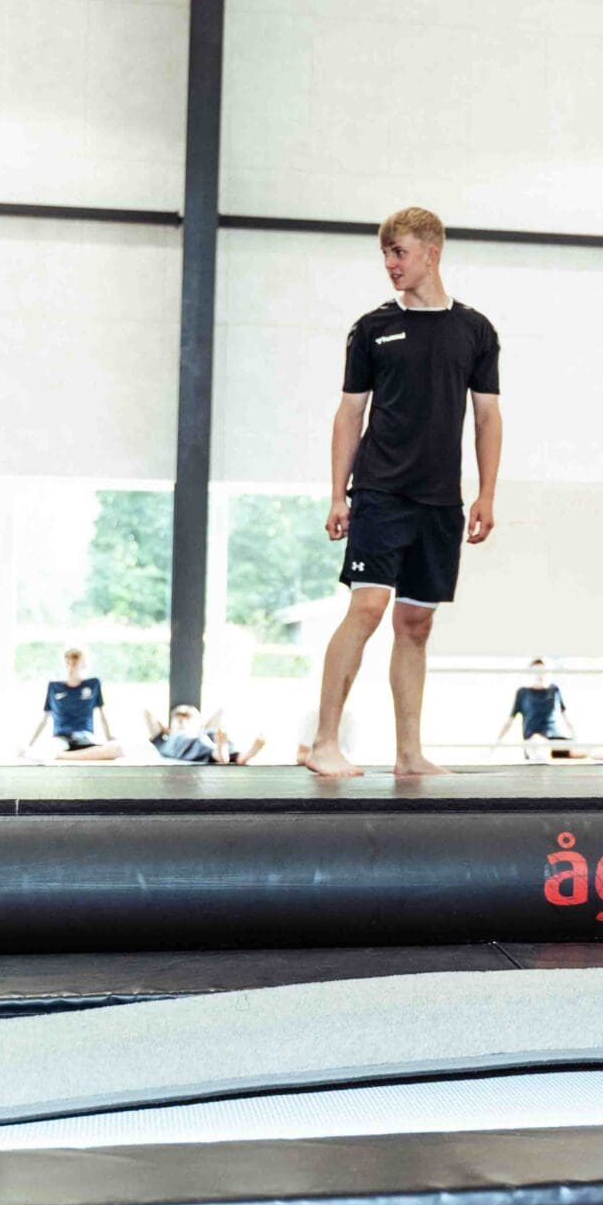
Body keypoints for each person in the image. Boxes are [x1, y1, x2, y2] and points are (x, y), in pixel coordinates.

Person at [303, 208, 502, 781]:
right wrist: (337, 494)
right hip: (380, 492)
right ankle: (324, 743)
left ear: (431, 254)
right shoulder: (371, 329)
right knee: (367, 607)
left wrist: (486, 494)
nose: (390, 264)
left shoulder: (475, 330)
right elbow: (349, 414)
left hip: (440, 502)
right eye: (386, 254)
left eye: (400, 253)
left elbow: (487, 417)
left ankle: (409, 754)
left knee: (416, 624)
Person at [22, 648, 120, 762]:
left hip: (85, 737)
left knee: (117, 749)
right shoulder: (54, 687)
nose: (71, 667)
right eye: (68, 663)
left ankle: (62, 756)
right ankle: (66, 755)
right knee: (39, 750)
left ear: (83, 665)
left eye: (75, 663)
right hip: (60, 739)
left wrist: (109, 738)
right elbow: (44, 719)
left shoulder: (93, 684)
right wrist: (29, 744)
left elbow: (102, 715)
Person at [144, 704, 262, 766]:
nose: (184, 723)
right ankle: (222, 753)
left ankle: (243, 756)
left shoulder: (204, 732)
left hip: (207, 740)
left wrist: (204, 727)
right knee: (214, 747)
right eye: (179, 721)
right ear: (169, 728)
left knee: (218, 737)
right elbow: (147, 714)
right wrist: (165, 730)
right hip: (187, 748)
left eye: (188, 719)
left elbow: (220, 711)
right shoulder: (166, 741)